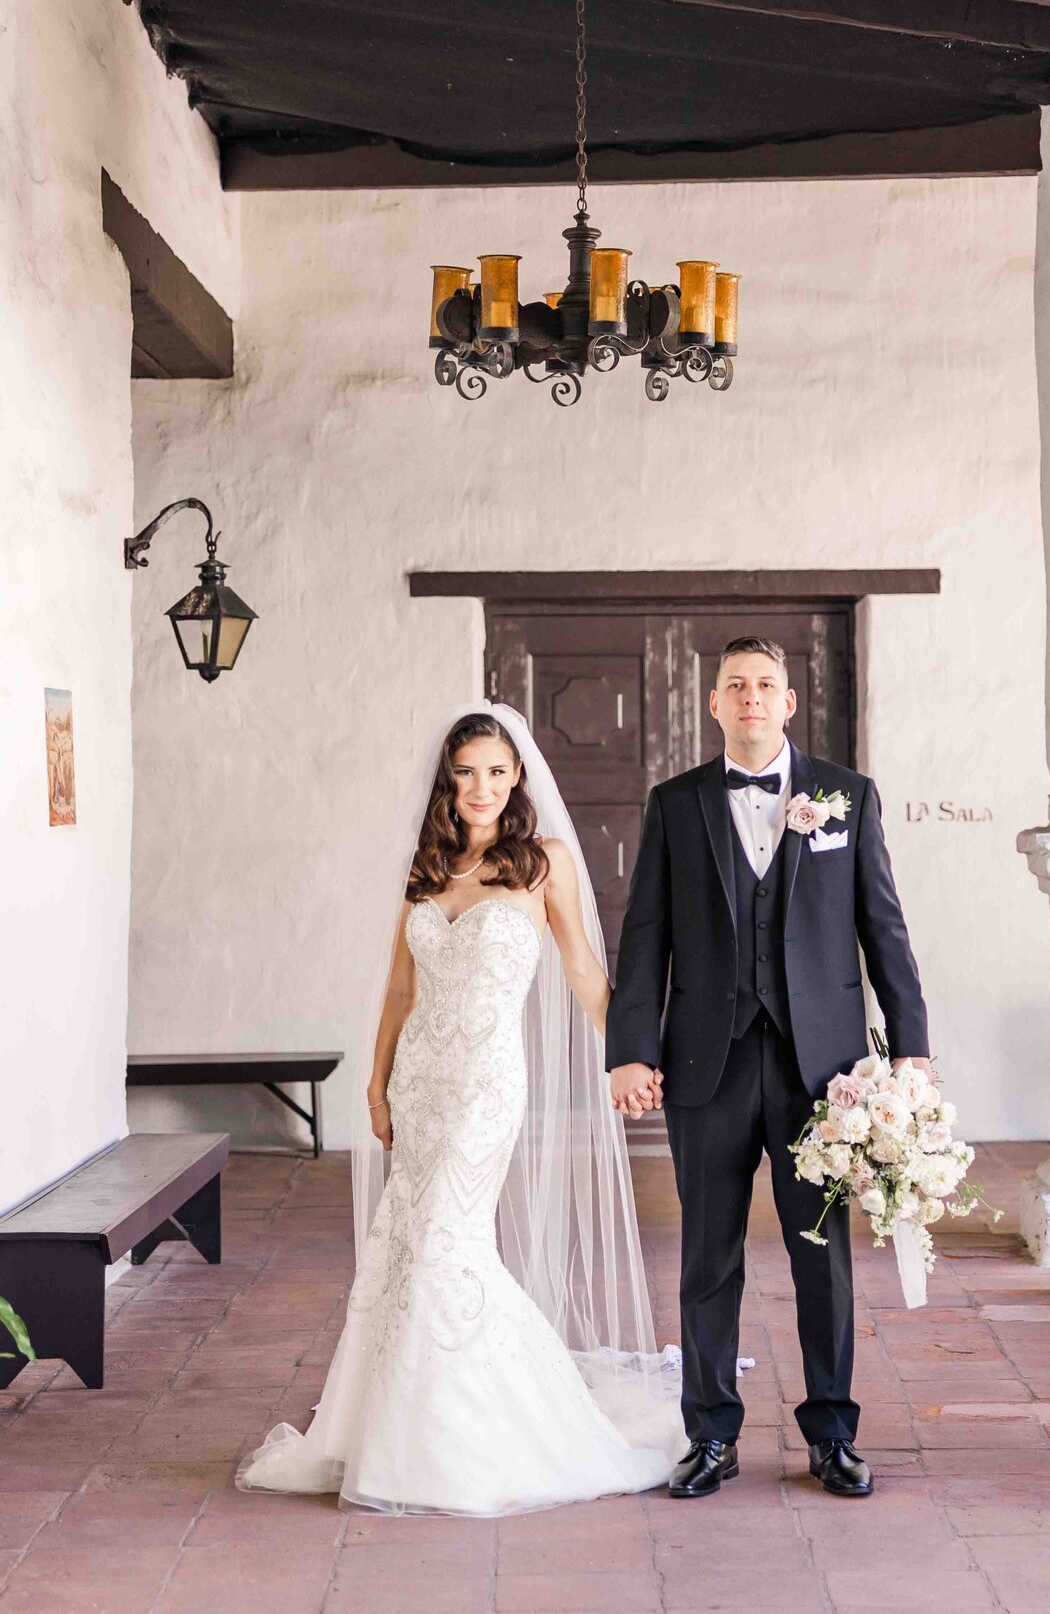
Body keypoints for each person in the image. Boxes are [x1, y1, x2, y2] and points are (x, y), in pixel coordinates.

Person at [238, 706, 683, 1515]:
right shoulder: (426, 867)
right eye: (467, 771)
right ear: (449, 781)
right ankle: (391, 1433)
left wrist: (629, 1055)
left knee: (448, 1241)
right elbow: (401, 988)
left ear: (517, 780)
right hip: (419, 1084)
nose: (481, 786)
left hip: (484, 1088)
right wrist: (375, 1088)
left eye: (497, 771)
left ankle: (472, 1440)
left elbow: (583, 968)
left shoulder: (542, 864)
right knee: (404, 1251)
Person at [606, 637, 930, 1500]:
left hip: (821, 1072)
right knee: (708, 1257)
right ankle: (709, 1435)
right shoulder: (675, 804)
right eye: (735, 685)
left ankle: (831, 1435)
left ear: (790, 703)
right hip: (704, 1067)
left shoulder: (845, 796)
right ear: (714, 704)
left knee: (820, 1257)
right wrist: (631, 1048)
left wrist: (914, 1048)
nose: (751, 697)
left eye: (766, 686)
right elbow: (645, 937)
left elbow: (882, 928)